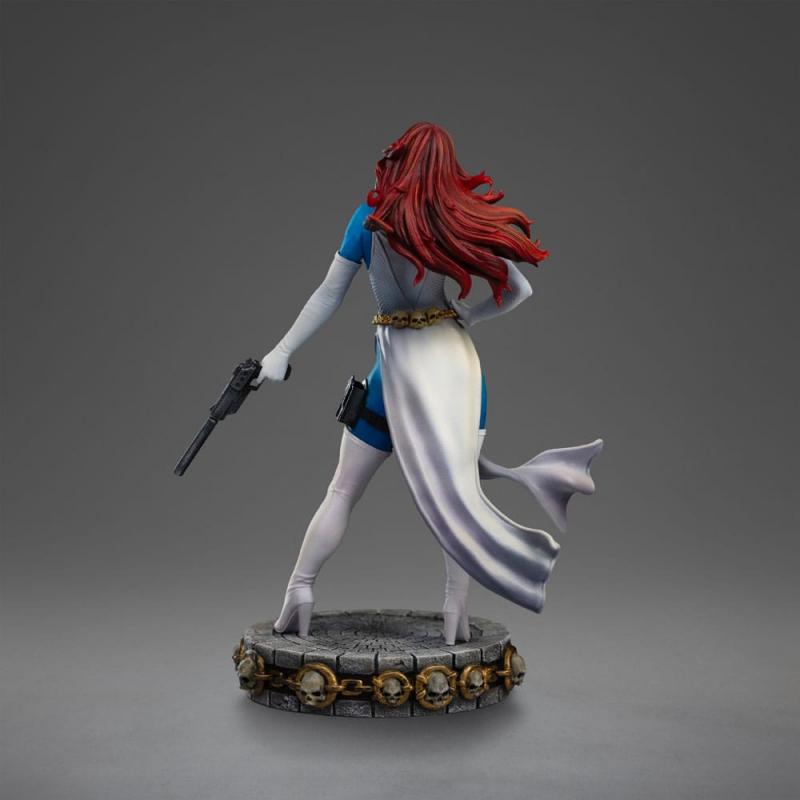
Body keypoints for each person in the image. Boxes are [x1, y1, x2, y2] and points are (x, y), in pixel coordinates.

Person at [254, 122, 602, 645]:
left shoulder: (369, 219)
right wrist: (471, 315)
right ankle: (455, 610)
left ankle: (299, 589)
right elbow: (520, 290)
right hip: (457, 371)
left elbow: (329, 294)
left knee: (342, 490)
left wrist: (281, 351)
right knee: (458, 498)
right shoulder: (455, 218)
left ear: (397, 160)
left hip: (393, 372)